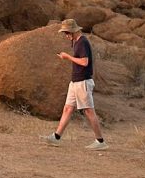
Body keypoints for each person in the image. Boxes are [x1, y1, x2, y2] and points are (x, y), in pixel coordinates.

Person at [42, 18, 108, 150]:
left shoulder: (82, 42)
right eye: (64, 33)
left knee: (89, 111)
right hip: (75, 81)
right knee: (67, 108)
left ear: (73, 31)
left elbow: (84, 62)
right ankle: (56, 137)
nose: (66, 36)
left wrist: (68, 57)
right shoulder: (75, 41)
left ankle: (100, 141)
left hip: (83, 81)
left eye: (67, 33)